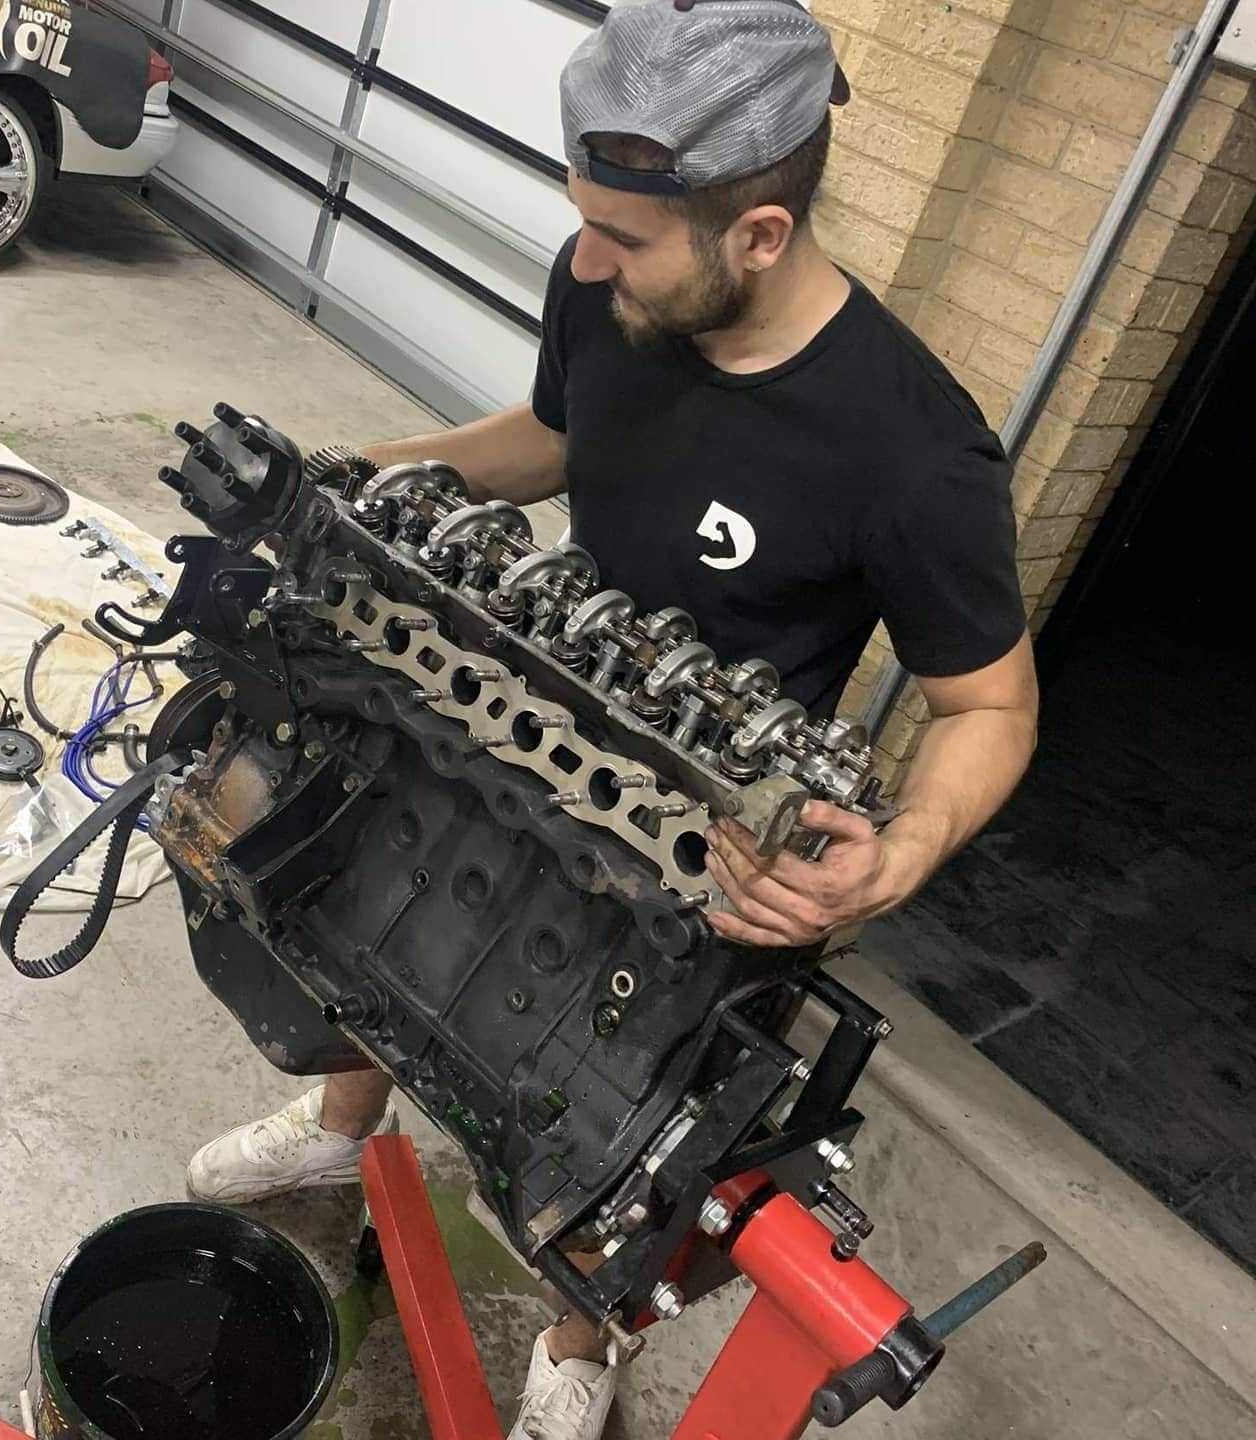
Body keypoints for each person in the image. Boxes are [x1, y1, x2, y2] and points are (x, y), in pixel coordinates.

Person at [187, 2, 1039, 1435]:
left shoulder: (915, 450)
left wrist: (898, 856)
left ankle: (580, 1343)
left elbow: (991, 701)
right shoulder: (610, 286)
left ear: (759, 234)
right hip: (500, 712)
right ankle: (344, 1140)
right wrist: (359, 476)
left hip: (702, 847)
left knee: (605, 1127)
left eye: (625, 239)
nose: (585, 260)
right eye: (585, 223)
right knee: (378, 925)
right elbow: (556, 439)